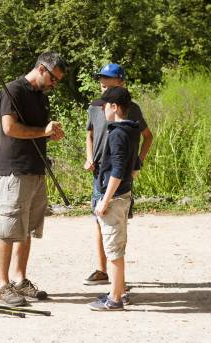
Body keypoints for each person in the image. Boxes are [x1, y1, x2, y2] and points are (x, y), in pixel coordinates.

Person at [0, 52, 66, 306]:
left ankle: (20, 280)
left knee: (27, 229)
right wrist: (41, 131)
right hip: (15, 170)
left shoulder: (40, 97)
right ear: (42, 69)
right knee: (8, 228)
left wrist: (49, 134)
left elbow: (37, 132)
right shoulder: (13, 90)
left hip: (36, 170)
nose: (54, 85)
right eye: (54, 79)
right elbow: (9, 128)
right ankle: (2, 285)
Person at [83, 64, 153, 292]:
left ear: (120, 81)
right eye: (101, 79)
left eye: (108, 79)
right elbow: (90, 135)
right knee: (99, 219)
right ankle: (103, 271)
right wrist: (89, 157)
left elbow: (147, 137)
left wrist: (137, 162)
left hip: (117, 173)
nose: (102, 82)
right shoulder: (95, 107)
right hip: (100, 172)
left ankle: (117, 285)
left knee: (115, 220)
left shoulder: (129, 108)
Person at [87, 86, 141, 311]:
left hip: (115, 198)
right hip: (123, 194)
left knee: (114, 251)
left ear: (114, 107)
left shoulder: (117, 133)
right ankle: (116, 291)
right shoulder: (130, 130)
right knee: (115, 247)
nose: (102, 111)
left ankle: (116, 299)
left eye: (105, 107)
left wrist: (105, 200)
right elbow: (134, 165)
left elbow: (118, 170)